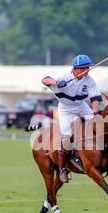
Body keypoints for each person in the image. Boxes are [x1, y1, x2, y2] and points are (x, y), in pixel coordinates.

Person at [42, 55, 102, 183]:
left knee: (98, 124)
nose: (88, 70)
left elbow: (95, 97)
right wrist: (57, 83)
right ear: (77, 69)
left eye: (88, 67)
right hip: (65, 109)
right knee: (67, 136)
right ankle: (63, 169)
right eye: (85, 67)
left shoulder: (89, 80)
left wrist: (94, 110)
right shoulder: (64, 77)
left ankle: (100, 158)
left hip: (81, 106)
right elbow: (45, 80)